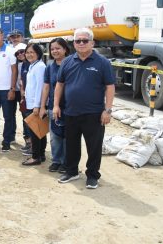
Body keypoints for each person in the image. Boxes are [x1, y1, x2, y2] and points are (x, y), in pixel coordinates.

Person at [54, 28, 115, 189]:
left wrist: (107, 110)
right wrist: (55, 106)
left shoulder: (102, 62)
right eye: (77, 41)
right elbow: (59, 84)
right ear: (73, 43)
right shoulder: (67, 61)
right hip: (71, 112)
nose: (81, 43)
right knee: (72, 145)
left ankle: (93, 175)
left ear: (92, 43)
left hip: (94, 114)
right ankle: (72, 171)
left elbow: (110, 87)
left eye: (84, 40)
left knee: (94, 147)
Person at [39, 38, 70, 173]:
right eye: (52, 49)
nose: (55, 51)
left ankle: (66, 162)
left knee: (68, 137)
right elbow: (46, 87)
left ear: (65, 49)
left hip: (70, 107)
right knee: (55, 137)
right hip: (53, 106)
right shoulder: (50, 67)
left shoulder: (72, 64)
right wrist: (42, 106)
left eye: (58, 48)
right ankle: (56, 161)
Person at [21, 44, 47, 166]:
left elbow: (40, 88)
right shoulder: (33, 66)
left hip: (35, 105)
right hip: (31, 103)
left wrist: (37, 106)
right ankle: (40, 155)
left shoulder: (40, 67)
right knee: (39, 131)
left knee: (36, 132)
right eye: (27, 52)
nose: (29, 54)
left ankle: (36, 156)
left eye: (32, 52)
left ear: (38, 53)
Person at [9, 29, 26, 147]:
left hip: (23, 92)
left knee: (26, 116)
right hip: (11, 88)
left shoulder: (29, 55)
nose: (15, 38)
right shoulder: (10, 52)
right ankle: (11, 137)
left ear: (22, 37)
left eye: (17, 36)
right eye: (13, 37)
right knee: (10, 114)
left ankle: (28, 140)